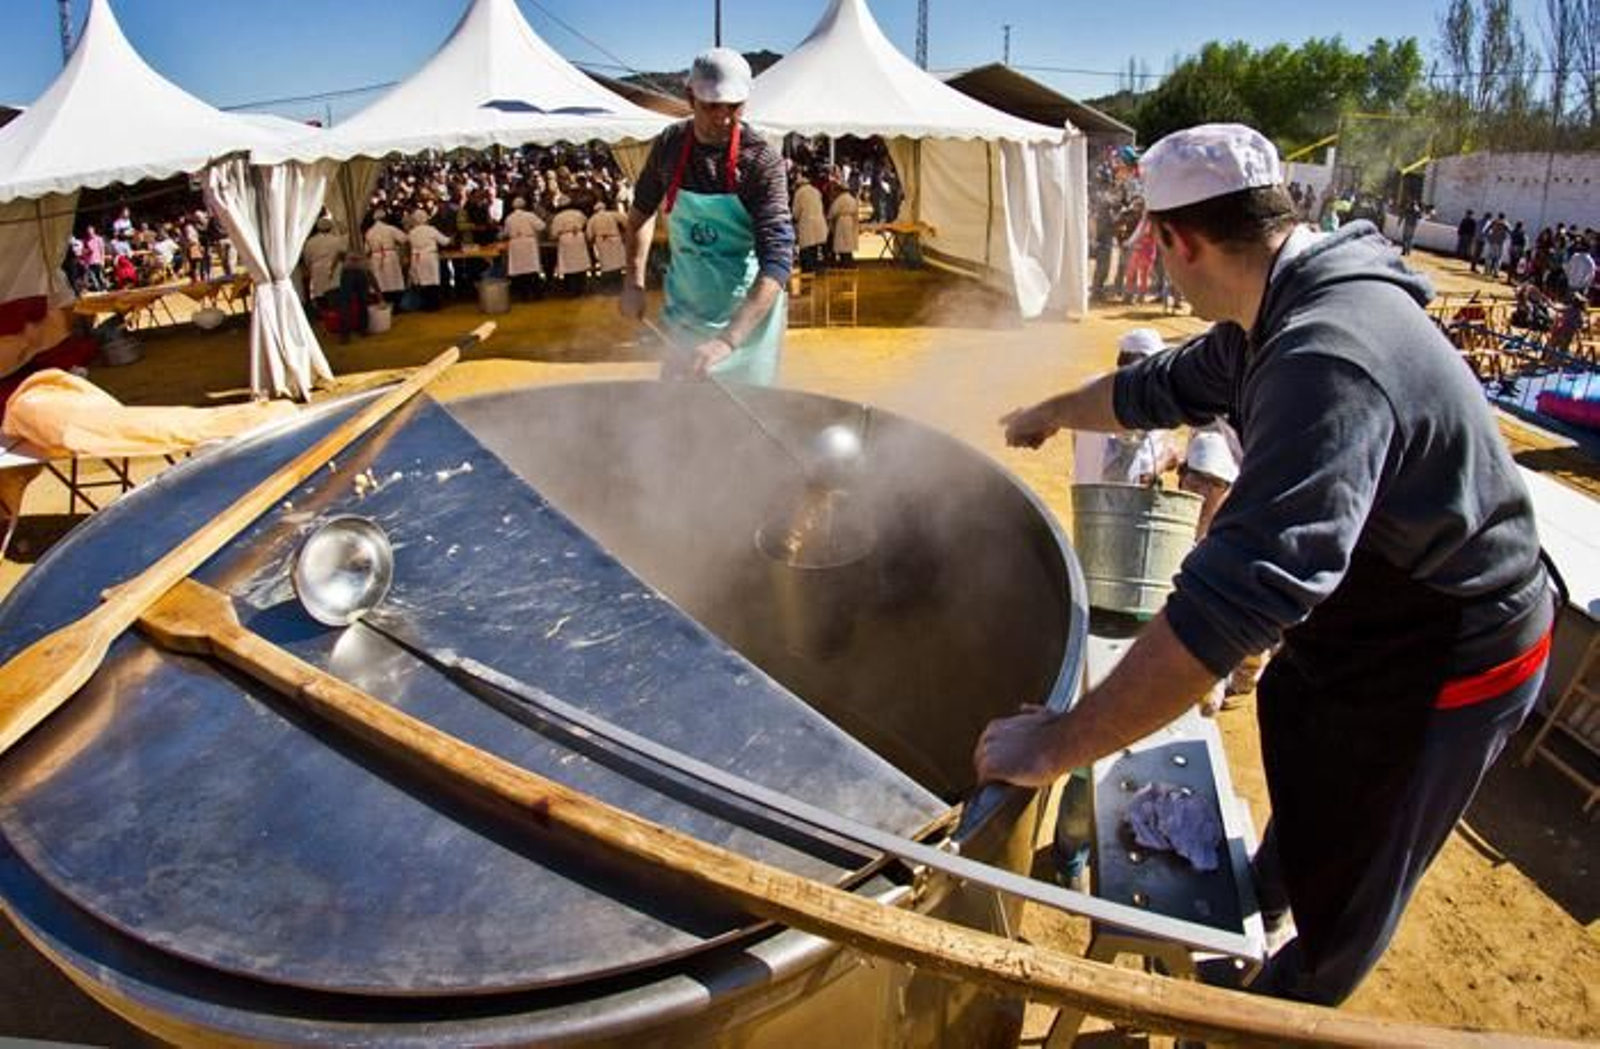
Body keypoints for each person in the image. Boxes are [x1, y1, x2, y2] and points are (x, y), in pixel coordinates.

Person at [979, 123, 1553, 1008]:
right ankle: (1271, 889)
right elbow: (1153, 389)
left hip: (1456, 644)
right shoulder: (1275, 302)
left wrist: (1057, 743)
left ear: (1180, 240)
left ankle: (1284, 1008)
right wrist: (1051, 410)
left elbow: (1233, 605)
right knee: (1309, 732)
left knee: (1364, 859)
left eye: (1150, 241)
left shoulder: (1326, 355)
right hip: (1377, 607)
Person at [619, 49, 793, 384]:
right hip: (686, 308)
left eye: (734, 107)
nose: (724, 118)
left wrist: (727, 341)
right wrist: (633, 280)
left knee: (744, 421)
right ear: (689, 97)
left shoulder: (760, 161)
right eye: (712, 105)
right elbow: (642, 211)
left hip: (746, 319)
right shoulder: (670, 144)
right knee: (677, 411)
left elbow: (778, 261)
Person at [1071, 328, 1178, 486]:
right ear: (1143, 362)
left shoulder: (1090, 387)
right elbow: (1131, 477)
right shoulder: (1136, 400)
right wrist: (1166, 460)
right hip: (1120, 503)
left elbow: (1076, 439)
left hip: (1084, 493)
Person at [501, 197, 547, 300]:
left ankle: (524, 295)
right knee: (532, 269)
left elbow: (505, 233)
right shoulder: (530, 215)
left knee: (520, 271)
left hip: (515, 244)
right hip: (528, 243)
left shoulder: (509, 218)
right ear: (524, 205)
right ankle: (536, 294)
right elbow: (542, 226)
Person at [406, 210, 451, 312]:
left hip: (417, 258)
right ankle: (434, 305)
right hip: (429, 257)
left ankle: (426, 305)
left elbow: (408, 242)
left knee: (422, 281)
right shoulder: (431, 229)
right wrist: (451, 238)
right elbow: (445, 242)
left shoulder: (412, 232)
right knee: (433, 280)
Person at [364, 209, 409, 306]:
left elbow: (366, 250)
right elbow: (404, 239)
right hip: (390, 256)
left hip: (376, 257)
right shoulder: (390, 228)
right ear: (385, 218)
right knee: (393, 280)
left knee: (380, 281)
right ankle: (396, 305)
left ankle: (384, 303)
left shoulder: (369, 232)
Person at [301, 216, 346, 306]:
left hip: (317, 271)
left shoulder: (310, 242)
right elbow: (343, 255)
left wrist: (312, 268)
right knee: (335, 295)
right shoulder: (337, 240)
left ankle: (323, 315)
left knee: (320, 296)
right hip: (334, 270)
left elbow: (307, 260)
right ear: (330, 227)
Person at [793, 174, 828, 272]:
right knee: (815, 246)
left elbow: (796, 211)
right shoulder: (816, 191)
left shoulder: (799, 193)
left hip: (806, 223)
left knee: (806, 247)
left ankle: (808, 268)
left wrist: (795, 218)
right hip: (819, 222)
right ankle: (816, 267)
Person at [826, 179, 860, 267]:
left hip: (841, 221)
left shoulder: (839, 199)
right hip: (850, 221)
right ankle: (849, 260)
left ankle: (843, 261)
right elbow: (856, 212)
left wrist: (830, 219)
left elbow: (832, 211)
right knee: (848, 242)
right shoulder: (852, 199)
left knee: (841, 242)